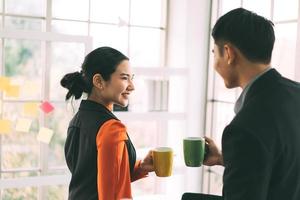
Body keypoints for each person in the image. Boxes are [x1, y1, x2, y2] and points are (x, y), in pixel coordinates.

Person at [203, 8, 300, 200]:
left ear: (229, 53)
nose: (214, 63)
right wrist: (226, 158)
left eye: (215, 53)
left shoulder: (243, 128)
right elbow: (285, 164)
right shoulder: (296, 92)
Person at [60, 46, 154, 200]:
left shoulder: (76, 121)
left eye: (132, 78)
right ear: (98, 81)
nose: (132, 86)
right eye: (124, 78)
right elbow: (110, 194)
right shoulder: (111, 128)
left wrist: (142, 166)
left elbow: (93, 177)